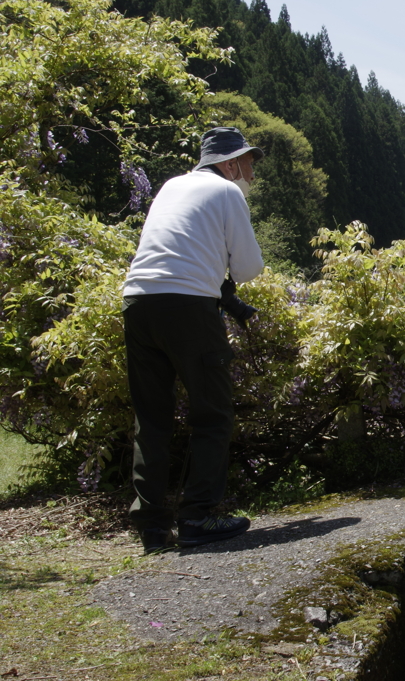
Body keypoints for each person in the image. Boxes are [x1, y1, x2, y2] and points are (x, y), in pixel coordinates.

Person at [122, 127, 265, 553]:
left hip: (137, 301)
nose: (251, 173)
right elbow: (248, 269)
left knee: (151, 417)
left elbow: (175, 248)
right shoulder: (226, 193)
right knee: (213, 413)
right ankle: (197, 517)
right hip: (187, 308)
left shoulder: (170, 187)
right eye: (248, 163)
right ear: (228, 164)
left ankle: (150, 528)